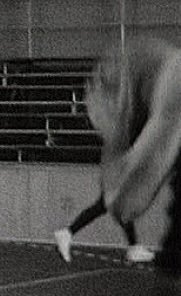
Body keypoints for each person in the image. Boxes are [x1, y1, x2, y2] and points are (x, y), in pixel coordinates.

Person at [55, 37, 181, 277]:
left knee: (112, 203)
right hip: (121, 160)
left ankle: (129, 245)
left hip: (123, 158)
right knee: (109, 203)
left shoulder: (136, 106)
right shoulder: (130, 112)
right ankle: (70, 232)